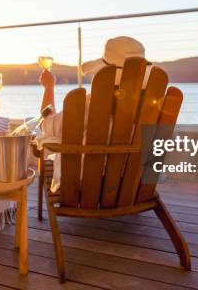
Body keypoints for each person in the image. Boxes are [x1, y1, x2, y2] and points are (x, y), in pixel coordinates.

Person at [38, 36, 153, 191]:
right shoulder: (151, 112)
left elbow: (47, 125)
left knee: (42, 141)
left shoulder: (87, 108)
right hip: (132, 187)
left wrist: (49, 88)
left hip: (87, 189)